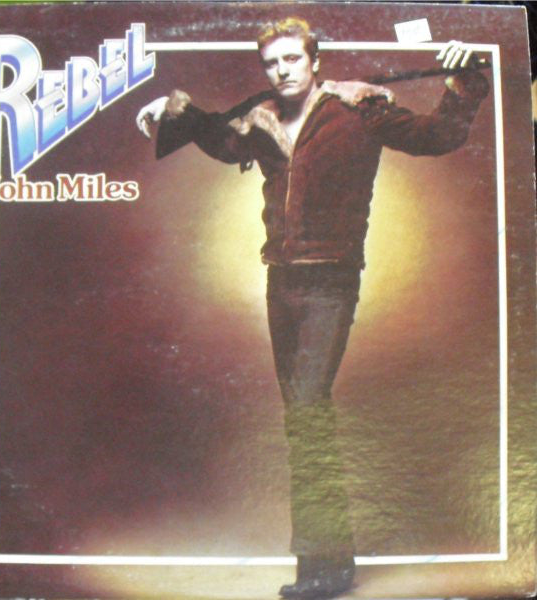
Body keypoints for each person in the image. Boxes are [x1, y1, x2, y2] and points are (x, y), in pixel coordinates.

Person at [136, 17, 489, 600]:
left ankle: (321, 570)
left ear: (315, 60)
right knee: (303, 419)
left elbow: (437, 136)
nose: (282, 71)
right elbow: (223, 142)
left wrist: (464, 81)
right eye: (271, 63)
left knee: (306, 414)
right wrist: (173, 111)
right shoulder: (262, 121)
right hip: (280, 283)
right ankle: (329, 564)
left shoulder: (359, 109)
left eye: (292, 59)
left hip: (331, 283)